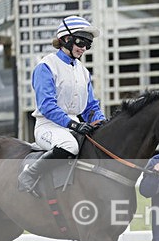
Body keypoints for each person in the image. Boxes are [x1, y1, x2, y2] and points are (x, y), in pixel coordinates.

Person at [18, 15, 106, 194]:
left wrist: (103, 123)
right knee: (70, 146)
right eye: (81, 42)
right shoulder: (46, 66)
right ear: (66, 39)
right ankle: (29, 175)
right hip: (48, 127)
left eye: (88, 45)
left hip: (74, 127)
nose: (84, 48)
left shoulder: (83, 71)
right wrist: (73, 124)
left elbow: (91, 107)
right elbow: (47, 106)